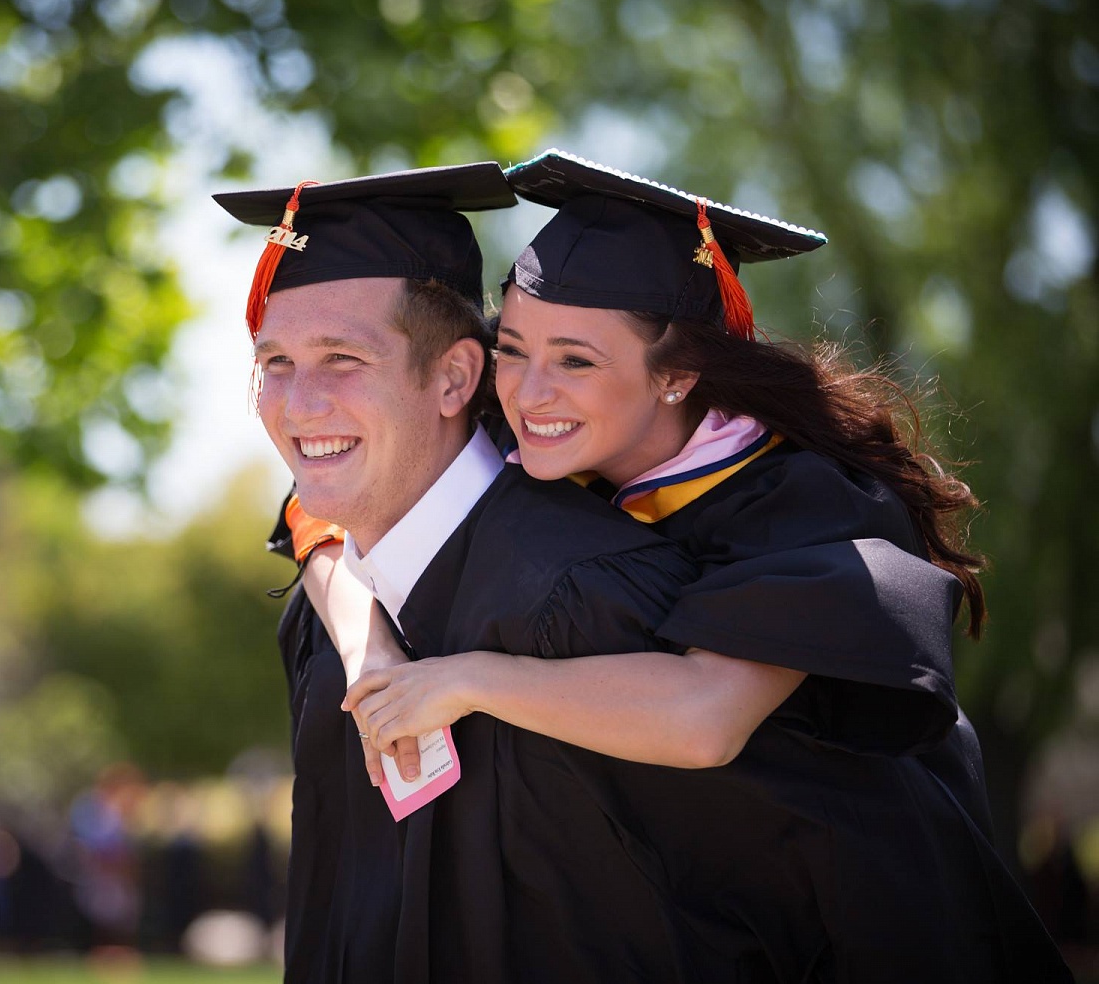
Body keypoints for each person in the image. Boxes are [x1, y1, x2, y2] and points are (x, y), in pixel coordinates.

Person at [315, 149, 1070, 980]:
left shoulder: (803, 502)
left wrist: (465, 679)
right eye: (514, 347)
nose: (529, 393)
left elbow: (706, 718)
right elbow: (317, 514)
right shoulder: (537, 436)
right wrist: (370, 650)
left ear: (676, 375)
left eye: (577, 360)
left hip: (868, 907)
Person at [215, 163, 706, 983]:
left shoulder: (588, 594)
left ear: (454, 378)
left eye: (342, 358)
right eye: (276, 362)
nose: (298, 406)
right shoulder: (327, 613)